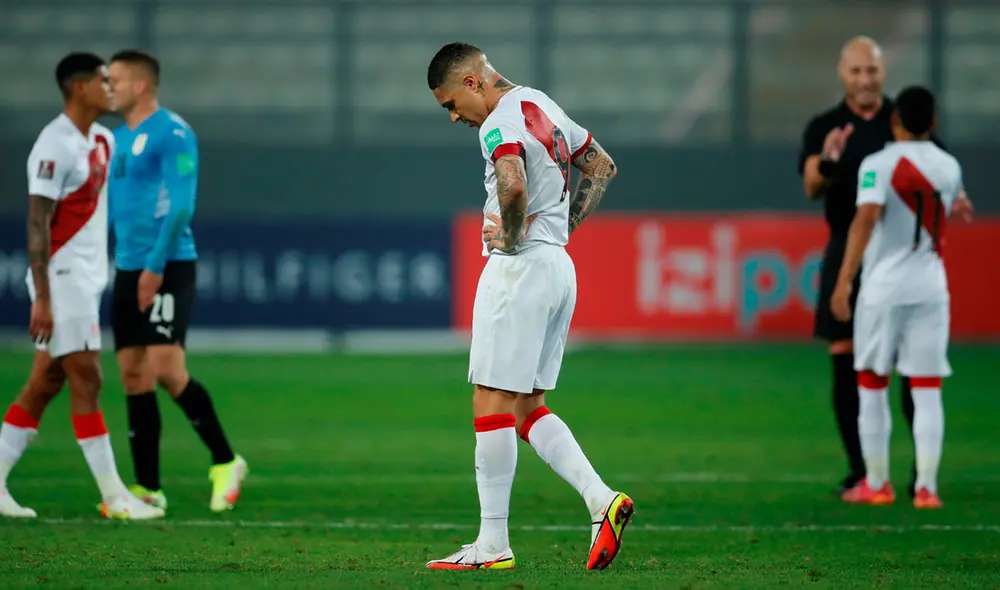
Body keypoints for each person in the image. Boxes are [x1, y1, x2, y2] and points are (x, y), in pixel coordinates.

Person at [423, 42, 631, 572]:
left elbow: (512, 186)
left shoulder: (498, 123)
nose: (453, 117)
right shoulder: (542, 103)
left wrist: (514, 238)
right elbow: (601, 167)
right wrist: (552, 232)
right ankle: (599, 498)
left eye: (450, 103)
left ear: (472, 83)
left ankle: (492, 545)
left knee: (490, 404)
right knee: (524, 407)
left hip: (519, 272)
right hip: (558, 268)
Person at [0, 52, 164, 520]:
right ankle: (116, 496)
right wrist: (44, 298)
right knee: (88, 377)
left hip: (89, 279)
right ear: (79, 88)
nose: (112, 89)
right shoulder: (53, 145)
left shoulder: (103, 140)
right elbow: (38, 222)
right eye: (104, 81)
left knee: (45, 381)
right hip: (62, 279)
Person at [107, 50, 246, 513]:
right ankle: (148, 490)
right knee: (132, 375)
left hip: (167, 264)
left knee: (165, 368)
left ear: (142, 85)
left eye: (117, 80)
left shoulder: (173, 132)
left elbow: (182, 205)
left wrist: (154, 265)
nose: (109, 87)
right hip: (126, 265)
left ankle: (225, 461)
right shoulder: (115, 138)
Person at [798, 36, 931, 498]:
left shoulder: (906, 123)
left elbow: (934, 173)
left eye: (871, 71)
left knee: (913, 367)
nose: (865, 80)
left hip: (898, 253)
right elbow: (812, 185)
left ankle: (921, 474)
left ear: (882, 72)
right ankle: (862, 470)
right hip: (843, 251)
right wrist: (830, 161)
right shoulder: (826, 126)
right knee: (845, 362)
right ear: (842, 74)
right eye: (856, 71)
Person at [831, 85, 972, 508]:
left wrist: (844, 280)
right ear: (933, 122)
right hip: (931, 288)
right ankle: (927, 487)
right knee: (927, 389)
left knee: (872, 384)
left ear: (895, 120)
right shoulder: (949, 165)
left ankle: (877, 483)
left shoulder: (879, 163)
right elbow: (957, 201)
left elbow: (866, 218)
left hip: (884, 290)